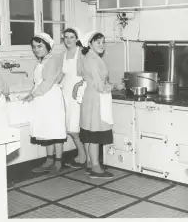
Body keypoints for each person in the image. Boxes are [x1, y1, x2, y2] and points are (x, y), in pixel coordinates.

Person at [73, 31, 124, 179]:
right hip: (96, 99)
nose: (101, 45)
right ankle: (96, 167)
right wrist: (116, 86)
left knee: (89, 133)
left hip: (91, 98)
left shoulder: (89, 57)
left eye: (102, 42)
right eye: (98, 42)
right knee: (95, 134)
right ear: (90, 44)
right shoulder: (93, 60)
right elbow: (100, 86)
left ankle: (90, 163)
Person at [23, 33, 67, 174]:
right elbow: (37, 82)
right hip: (42, 97)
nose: (36, 49)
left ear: (48, 46)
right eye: (34, 47)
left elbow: (47, 83)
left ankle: (58, 161)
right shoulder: (41, 61)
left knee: (55, 130)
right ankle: (49, 160)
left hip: (50, 98)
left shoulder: (52, 60)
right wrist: (30, 93)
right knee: (47, 130)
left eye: (39, 46)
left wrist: (33, 95)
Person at [60, 27, 88, 168]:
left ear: (76, 39)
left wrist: (79, 85)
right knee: (70, 126)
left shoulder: (81, 53)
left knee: (74, 127)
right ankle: (83, 155)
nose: (68, 40)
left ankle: (83, 156)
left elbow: (88, 73)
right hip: (66, 91)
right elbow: (62, 74)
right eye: (66, 37)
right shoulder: (63, 54)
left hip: (78, 92)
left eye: (71, 37)